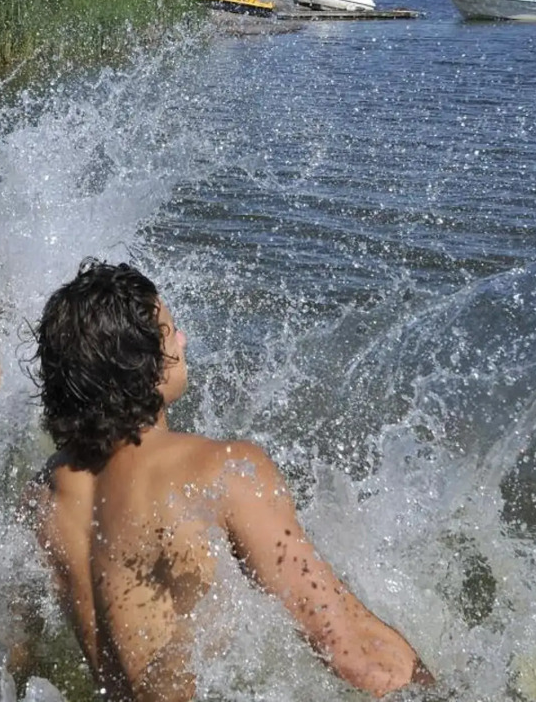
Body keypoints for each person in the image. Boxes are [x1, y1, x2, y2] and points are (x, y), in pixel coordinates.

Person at [30, 261, 434, 700]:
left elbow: (18, 657)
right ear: (142, 363)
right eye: (169, 330)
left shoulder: (42, 493)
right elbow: (355, 657)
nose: (182, 341)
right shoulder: (223, 469)